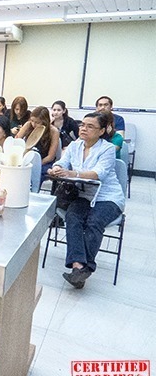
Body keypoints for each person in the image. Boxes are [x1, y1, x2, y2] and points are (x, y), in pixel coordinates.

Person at [47, 112, 125, 289]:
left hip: (108, 197)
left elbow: (99, 174)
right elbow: (63, 162)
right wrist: (56, 169)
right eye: (83, 125)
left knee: (94, 221)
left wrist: (72, 173)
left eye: (90, 126)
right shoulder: (75, 145)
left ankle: (81, 268)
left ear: (102, 130)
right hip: (84, 195)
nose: (84, 129)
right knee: (72, 217)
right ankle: (79, 268)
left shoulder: (107, 149)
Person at [17, 106, 60, 182]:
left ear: (45, 121)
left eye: (37, 122)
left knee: (38, 172)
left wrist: (36, 164)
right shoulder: (28, 125)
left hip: (44, 161)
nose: (33, 124)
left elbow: (51, 156)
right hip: (27, 158)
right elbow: (17, 141)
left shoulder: (53, 131)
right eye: (32, 120)